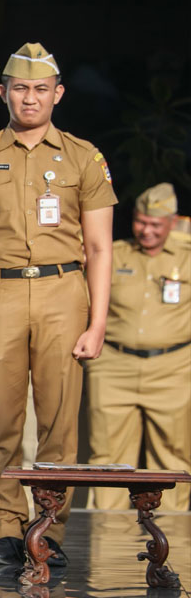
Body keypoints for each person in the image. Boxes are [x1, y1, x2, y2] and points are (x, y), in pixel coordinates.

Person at [0, 42, 116, 567]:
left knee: (60, 423)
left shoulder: (83, 156)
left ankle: (48, 529)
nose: (31, 98)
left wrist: (98, 322)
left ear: (58, 94)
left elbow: (100, 247)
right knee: (0, 420)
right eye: (21, 88)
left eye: (41, 89)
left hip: (64, 290)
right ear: (3, 93)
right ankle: (6, 529)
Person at [86, 182, 190, 510]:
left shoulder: (187, 256)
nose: (146, 231)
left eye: (155, 224)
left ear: (173, 222)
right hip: (114, 365)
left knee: (172, 456)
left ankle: (172, 536)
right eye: (140, 222)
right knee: (107, 457)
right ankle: (106, 533)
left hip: (173, 367)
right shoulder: (115, 254)